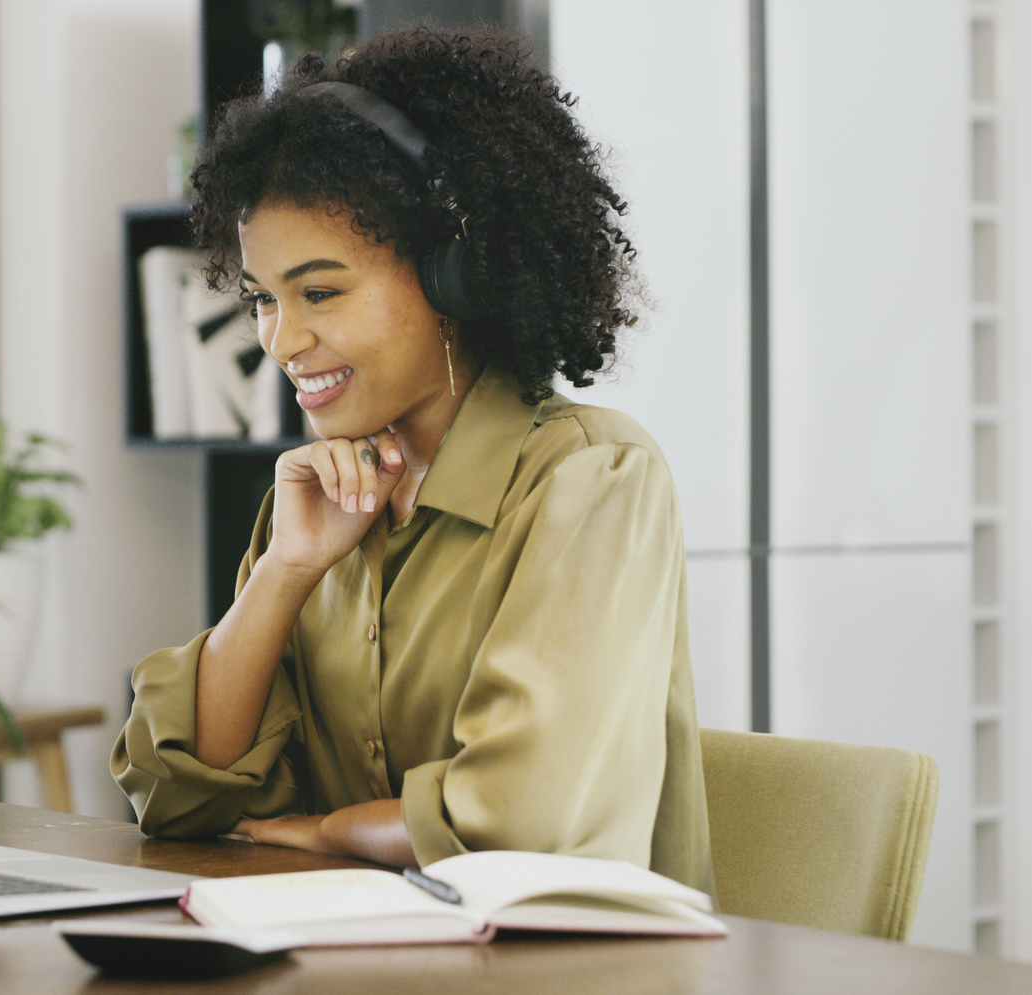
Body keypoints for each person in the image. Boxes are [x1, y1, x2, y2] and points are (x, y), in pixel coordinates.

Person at [110, 27, 714, 894]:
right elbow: (176, 787)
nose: (282, 340)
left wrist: (324, 833)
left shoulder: (593, 477)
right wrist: (285, 571)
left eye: (319, 292)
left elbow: (522, 816)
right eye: (262, 299)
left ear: (454, 277)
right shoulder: (323, 503)